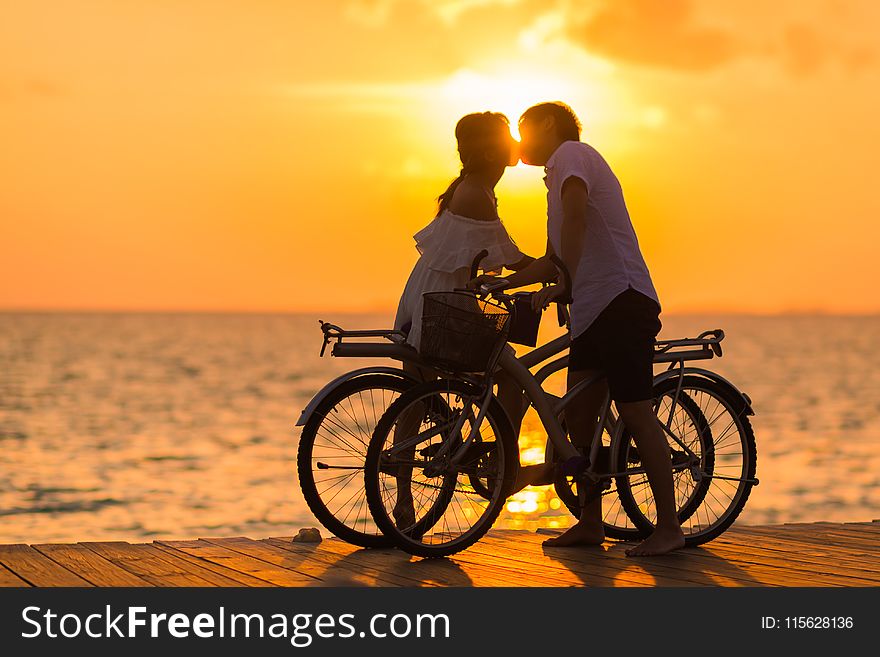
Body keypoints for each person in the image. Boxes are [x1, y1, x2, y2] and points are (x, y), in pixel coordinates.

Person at [476, 101, 685, 557]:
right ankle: (591, 523)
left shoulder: (572, 154)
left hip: (623, 299)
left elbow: (576, 219)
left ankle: (669, 527)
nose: (518, 141)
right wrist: (509, 281)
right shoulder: (556, 179)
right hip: (593, 309)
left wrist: (564, 282)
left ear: (548, 125)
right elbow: (553, 257)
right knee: (581, 419)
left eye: (523, 129)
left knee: (634, 411)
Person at [390, 111, 534, 528]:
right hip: (445, 309)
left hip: (429, 301)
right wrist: (560, 268)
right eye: (508, 136)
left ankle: (403, 502)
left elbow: (480, 257)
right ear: (490, 149)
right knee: (513, 379)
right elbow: (512, 257)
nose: (515, 142)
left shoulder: (472, 188)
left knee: (415, 399)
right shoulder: (476, 194)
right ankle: (502, 462)